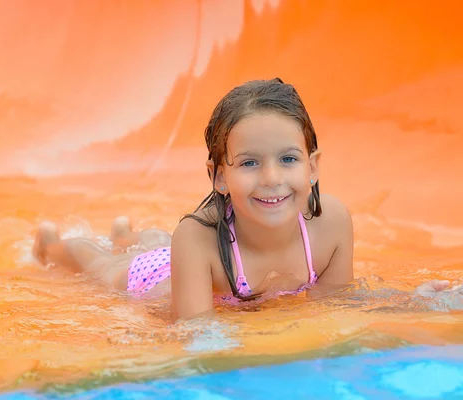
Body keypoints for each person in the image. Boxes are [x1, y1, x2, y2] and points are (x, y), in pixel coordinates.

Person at [32, 78, 461, 321]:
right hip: (155, 279)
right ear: (220, 176)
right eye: (250, 163)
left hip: (183, 255)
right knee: (106, 264)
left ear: (312, 168)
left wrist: (413, 302)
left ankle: (127, 233)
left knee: (153, 238)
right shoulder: (195, 238)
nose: (272, 178)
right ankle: (52, 245)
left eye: (288, 159)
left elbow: (337, 304)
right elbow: (194, 333)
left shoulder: (330, 223)